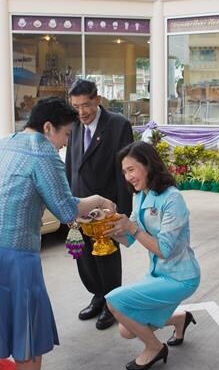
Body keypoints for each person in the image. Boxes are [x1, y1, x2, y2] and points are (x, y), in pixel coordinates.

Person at [0, 97, 116, 370]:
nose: (65, 143)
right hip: (7, 252)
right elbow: (67, 210)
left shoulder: (4, 142)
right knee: (27, 334)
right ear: (48, 127)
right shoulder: (43, 153)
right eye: (66, 134)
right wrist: (98, 200)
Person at [105, 141, 201, 370]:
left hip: (181, 277)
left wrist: (131, 227)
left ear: (148, 166)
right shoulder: (140, 196)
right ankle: (180, 318)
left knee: (113, 301)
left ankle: (155, 348)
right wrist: (105, 229)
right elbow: (128, 240)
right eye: (124, 172)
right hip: (157, 273)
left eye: (131, 169)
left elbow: (163, 250)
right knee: (126, 329)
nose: (127, 177)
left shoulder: (172, 198)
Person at [65, 79, 134, 330]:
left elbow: (124, 171)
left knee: (106, 257)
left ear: (97, 99)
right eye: (76, 106)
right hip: (79, 204)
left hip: (107, 207)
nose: (82, 112)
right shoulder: (73, 125)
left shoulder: (118, 125)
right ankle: (97, 295)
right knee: (84, 258)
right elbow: (71, 165)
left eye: (86, 105)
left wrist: (122, 212)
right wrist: (67, 202)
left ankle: (112, 304)